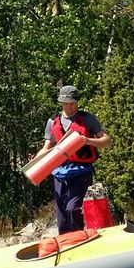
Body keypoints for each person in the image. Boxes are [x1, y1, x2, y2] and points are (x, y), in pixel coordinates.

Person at [34, 85, 112, 234]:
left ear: (77, 102)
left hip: (82, 171)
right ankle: (65, 242)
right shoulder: (53, 121)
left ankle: (78, 237)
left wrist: (88, 141)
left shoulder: (87, 119)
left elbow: (107, 142)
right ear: (61, 103)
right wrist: (35, 165)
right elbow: (46, 147)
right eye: (66, 103)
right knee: (62, 214)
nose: (69, 106)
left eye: (72, 103)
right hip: (59, 172)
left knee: (72, 208)